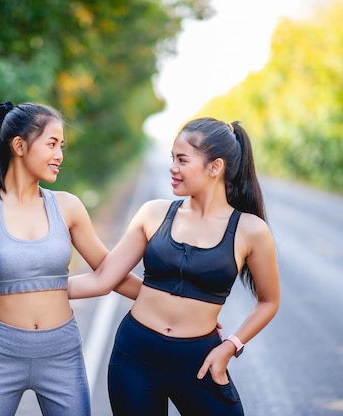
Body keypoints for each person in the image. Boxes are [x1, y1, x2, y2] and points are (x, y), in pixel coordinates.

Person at [68, 117, 281, 416]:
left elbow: (269, 301)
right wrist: (36, 286)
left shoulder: (251, 231)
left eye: (182, 160)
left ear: (215, 167)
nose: (172, 167)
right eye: (172, 158)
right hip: (134, 357)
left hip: (199, 362)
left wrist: (230, 346)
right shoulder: (153, 214)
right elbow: (105, 278)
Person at [0, 100, 141, 416]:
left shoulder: (67, 207)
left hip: (61, 354)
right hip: (0, 355)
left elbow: (110, 271)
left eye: (62, 146)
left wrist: (170, 304)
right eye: (52, 144)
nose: (60, 156)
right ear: (19, 146)